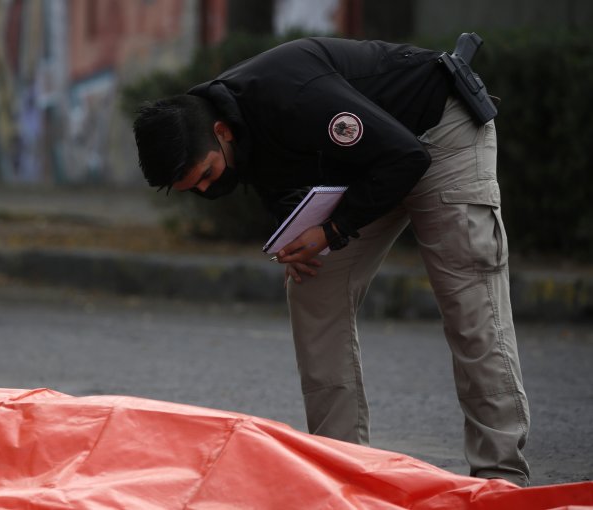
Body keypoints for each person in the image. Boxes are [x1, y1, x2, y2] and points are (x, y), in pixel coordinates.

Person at [132, 36, 531, 486]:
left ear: (221, 133)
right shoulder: (229, 126)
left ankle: (500, 477)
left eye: (206, 174)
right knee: (312, 285)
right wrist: (297, 236)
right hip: (369, 165)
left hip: (440, 132)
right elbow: (284, 184)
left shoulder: (290, 95)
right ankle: (343, 473)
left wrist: (334, 229)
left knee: (469, 304)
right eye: (195, 190)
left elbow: (406, 156)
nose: (207, 190)